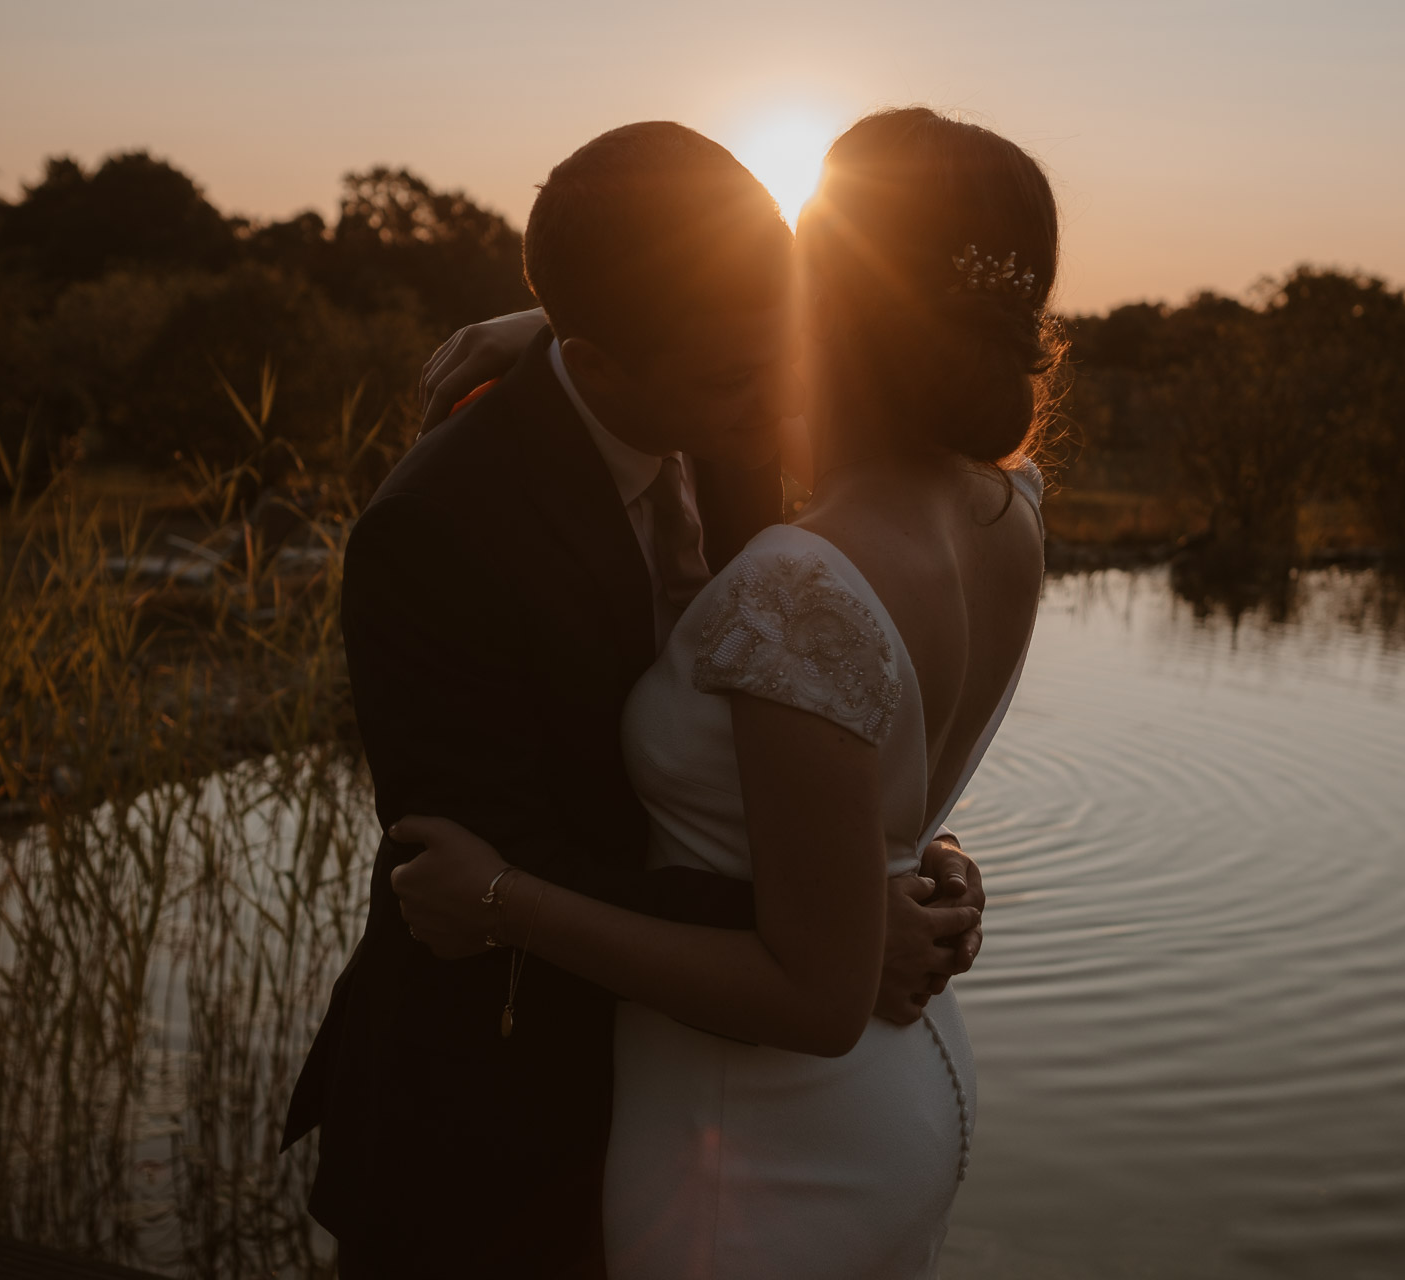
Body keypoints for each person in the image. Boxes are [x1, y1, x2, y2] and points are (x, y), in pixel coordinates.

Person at [281, 120, 989, 1279]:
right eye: (734, 375)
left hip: (688, 1088)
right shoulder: (436, 527)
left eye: (786, 347)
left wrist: (905, 851)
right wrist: (839, 926)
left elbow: (781, 725)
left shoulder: (713, 394)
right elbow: (467, 856)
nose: (779, 405)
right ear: (601, 364)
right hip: (493, 1112)